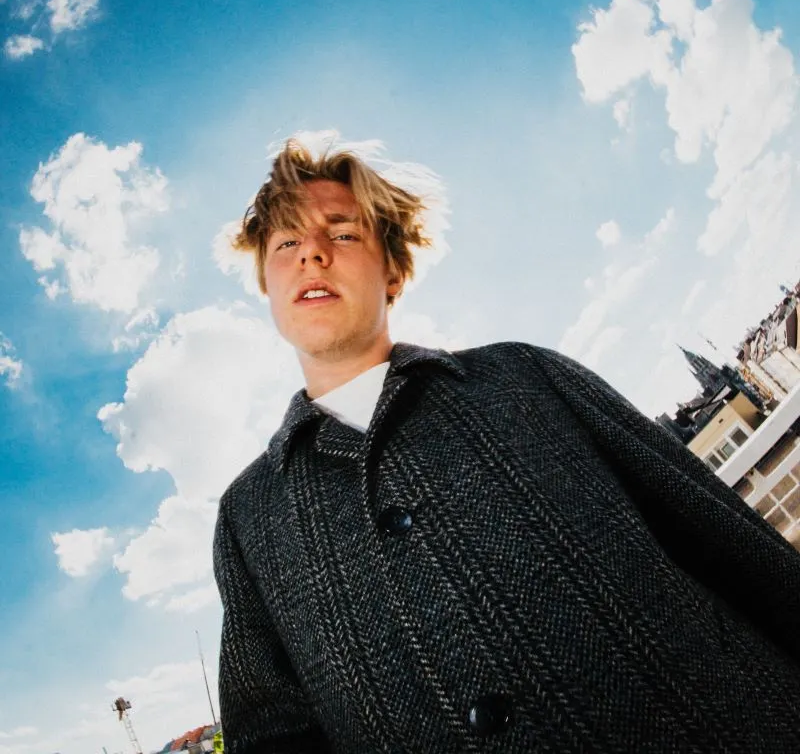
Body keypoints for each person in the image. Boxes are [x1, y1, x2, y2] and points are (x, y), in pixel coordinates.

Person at [213, 138, 800, 754]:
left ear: (393, 271)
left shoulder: (528, 374)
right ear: (267, 284)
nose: (312, 252)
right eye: (286, 243)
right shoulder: (245, 519)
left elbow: (736, 551)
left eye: (342, 233)